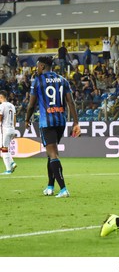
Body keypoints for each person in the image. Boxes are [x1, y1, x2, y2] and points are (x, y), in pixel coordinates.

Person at [25, 56, 81, 198]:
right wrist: (76, 122)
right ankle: (50, 186)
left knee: (53, 154)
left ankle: (63, 189)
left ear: (42, 66)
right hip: (60, 122)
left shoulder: (38, 81)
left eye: (37, 66)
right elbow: (71, 103)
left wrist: (27, 119)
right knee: (51, 154)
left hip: (47, 122)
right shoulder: (62, 80)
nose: (36, 69)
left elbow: (31, 104)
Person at [0, 91, 17, 175]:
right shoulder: (12, 105)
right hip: (12, 129)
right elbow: (14, 118)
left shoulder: (2, 106)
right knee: (4, 148)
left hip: (5, 129)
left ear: (1, 97)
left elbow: (0, 117)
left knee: (4, 149)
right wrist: (14, 129)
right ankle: (11, 164)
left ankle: (10, 167)